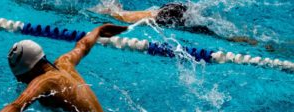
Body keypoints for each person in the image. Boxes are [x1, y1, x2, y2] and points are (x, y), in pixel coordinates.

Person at [0, 24, 140, 112]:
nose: (22, 82)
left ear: (30, 70)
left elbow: (17, 105)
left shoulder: (44, 81)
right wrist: (98, 30)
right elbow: (82, 45)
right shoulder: (64, 63)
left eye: (22, 78)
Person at [92, 2, 258, 45]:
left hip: (164, 16)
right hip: (169, 12)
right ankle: (239, 39)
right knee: (203, 29)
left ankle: (238, 39)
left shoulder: (122, 16)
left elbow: (117, 16)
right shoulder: (125, 15)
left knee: (201, 30)